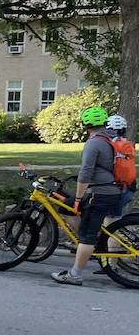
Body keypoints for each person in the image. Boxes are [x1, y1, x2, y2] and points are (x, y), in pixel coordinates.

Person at [52, 107, 126, 286]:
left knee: (87, 234)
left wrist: (78, 199)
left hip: (99, 193)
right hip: (110, 189)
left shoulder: (94, 143)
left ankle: (75, 274)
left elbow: (85, 173)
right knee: (66, 206)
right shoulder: (108, 139)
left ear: (85, 124)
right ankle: (90, 243)